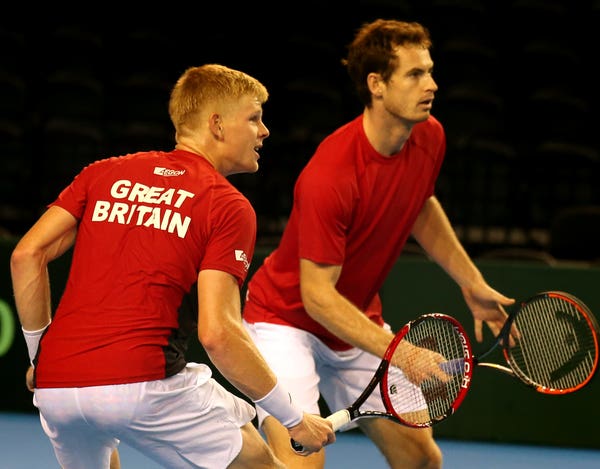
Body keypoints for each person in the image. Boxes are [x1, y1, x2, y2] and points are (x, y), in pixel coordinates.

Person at [11, 63, 334, 469]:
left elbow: (26, 255)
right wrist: (292, 418)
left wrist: (41, 360)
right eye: (254, 118)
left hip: (57, 388)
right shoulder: (228, 205)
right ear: (217, 125)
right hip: (146, 384)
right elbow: (219, 334)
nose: (264, 131)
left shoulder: (103, 172)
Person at [241, 19, 515, 469]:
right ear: (377, 85)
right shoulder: (331, 174)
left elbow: (421, 205)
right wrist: (403, 352)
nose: (432, 84)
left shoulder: (429, 136)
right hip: (285, 320)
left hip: (354, 320)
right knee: (301, 462)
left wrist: (471, 282)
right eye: (415, 74)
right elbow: (316, 297)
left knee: (422, 460)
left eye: (429, 71)